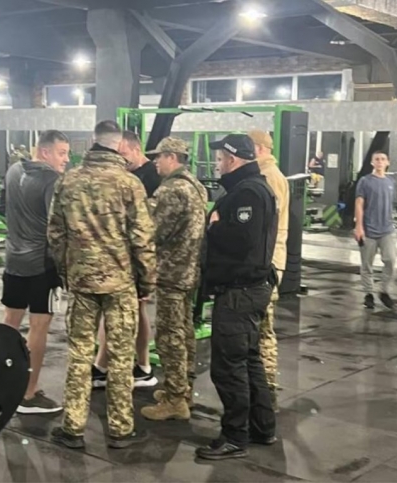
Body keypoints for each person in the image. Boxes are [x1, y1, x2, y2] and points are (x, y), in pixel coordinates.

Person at [48, 120, 157, 450]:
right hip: (120, 284)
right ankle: (121, 429)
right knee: (121, 357)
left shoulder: (68, 181)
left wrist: (68, 273)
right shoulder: (129, 183)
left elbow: (55, 234)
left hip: (81, 283)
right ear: (119, 145)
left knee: (80, 354)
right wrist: (147, 280)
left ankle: (73, 427)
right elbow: (142, 238)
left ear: (93, 142)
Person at [197, 134, 277, 461]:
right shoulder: (254, 188)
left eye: (220, 158)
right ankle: (262, 427)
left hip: (239, 293)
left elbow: (241, 240)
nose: (217, 164)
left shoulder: (247, 193)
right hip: (250, 290)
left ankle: (234, 436)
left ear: (232, 159)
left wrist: (215, 226)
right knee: (249, 360)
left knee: (228, 367)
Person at [1, 130, 71, 415]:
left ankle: (1, 383)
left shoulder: (13, 171)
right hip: (41, 266)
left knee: (9, 324)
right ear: (44, 152)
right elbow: (57, 227)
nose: (66, 159)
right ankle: (28, 394)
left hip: (13, 261)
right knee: (39, 327)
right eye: (61, 153)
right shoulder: (52, 180)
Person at [139, 137, 208, 421]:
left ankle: (174, 399)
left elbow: (153, 232)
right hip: (190, 271)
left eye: (159, 156)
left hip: (171, 273)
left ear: (172, 156)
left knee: (169, 336)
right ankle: (183, 389)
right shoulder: (196, 185)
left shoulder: (171, 190)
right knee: (185, 332)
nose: (155, 161)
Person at [91, 130, 158, 389]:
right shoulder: (125, 177)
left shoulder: (149, 178)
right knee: (123, 312)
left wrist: (146, 271)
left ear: (135, 149)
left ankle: (128, 366)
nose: (119, 159)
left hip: (135, 259)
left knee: (128, 311)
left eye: (123, 153)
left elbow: (146, 228)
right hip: (120, 258)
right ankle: (125, 366)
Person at [248, 130, 289, 411]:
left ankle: (267, 390)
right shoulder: (267, 175)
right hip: (269, 261)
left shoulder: (270, 177)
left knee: (263, 328)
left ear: (260, 149)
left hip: (269, 263)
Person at [354, 151, 397, 310]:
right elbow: (359, 204)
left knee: (390, 261)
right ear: (372, 163)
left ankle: (384, 291)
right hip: (369, 230)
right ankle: (369, 294)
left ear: (387, 162)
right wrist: (359, 227)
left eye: (383, 159)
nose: (380, 162)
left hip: (387, 230)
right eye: (377, 159)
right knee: (367, 265)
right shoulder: (365, 181)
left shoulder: (391, 182)